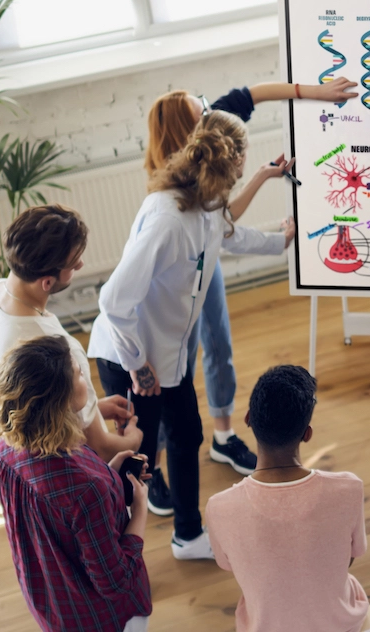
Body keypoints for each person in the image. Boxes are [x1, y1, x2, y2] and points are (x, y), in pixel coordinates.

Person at [88, 110, 294, 560]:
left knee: (186, 436)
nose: (245, 167)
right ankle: (116, 554)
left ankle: (187, 536)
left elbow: (230, 234)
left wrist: (280, 241)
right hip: (131, 357)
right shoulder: (168, 217)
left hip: (166, 358)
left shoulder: (205, 203)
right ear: (232, 160)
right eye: (245, 159)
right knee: (137, 459)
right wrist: (139, 365)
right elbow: (114, 300)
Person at [142, 78, 356, 486]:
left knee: (219, 345)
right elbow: (225, 226)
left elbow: (255, 94)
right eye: (200, 110)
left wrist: (316, 91)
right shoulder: (175, 184)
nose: (210, 109)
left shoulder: (216, 122)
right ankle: (152, 467)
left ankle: (223, 436)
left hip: (205, 261)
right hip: (177, 277)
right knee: (176, 368)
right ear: (188, 134)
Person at [0, 335, 152, 632]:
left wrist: (110, 476)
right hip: (104, 619)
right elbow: (115, 581)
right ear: (60, 399)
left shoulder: (6, 452)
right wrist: (140, 508)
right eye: (78, 373)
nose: (84, 377)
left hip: (54, 603)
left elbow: (61, 515)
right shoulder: (87, 488)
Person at [0, 204, 141, 460]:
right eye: (74, 263)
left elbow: (36, 408)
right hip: (64, 470)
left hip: (19, 462)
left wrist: (93, 411)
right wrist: (133, 440)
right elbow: (100, 447)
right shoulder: (55, 349)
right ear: (47, 282)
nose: (81, 264)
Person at [207, 365, 368, 632]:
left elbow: (228, 564)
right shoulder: (349, 489)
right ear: (307, 434)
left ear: (248, 419)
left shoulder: (219, 507)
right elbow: (348, 558)